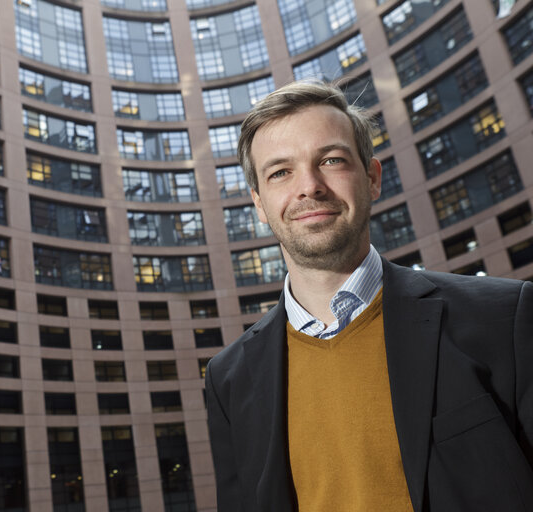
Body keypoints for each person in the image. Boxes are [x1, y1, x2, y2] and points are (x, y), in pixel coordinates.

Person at [204, 80, 533, 512]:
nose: (310, 186)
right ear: (260, 204)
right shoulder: (228, 379)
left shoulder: (504, 318)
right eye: (280, 172)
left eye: (332, 160)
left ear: (372, 178)